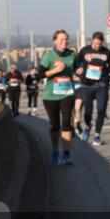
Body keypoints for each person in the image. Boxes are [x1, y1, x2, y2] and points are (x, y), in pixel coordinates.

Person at [38, 30, 78, 166]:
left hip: (67, 94)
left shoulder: (73, 55)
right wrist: (56, 70)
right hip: (50, 96)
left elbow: (79, 68)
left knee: (66, 123)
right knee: (55, 126)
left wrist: (81, 70)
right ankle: (55, 150)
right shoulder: (49, 56)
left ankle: (67, 153)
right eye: (61, 39)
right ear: (54, 41)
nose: (64, 42)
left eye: (66, 39)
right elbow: (40, 75)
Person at [73, 31, 110, 145]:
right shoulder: (85, 50)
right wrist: (77, 71)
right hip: (87, 85)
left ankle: (97, 135)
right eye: (95, 44)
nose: (97, 46)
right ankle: (88, 125)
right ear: (92, 41)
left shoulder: (107, 52)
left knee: (101, 110)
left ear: (102, 43)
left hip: (101, 85)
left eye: (99, 44)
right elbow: (75, 64)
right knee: (88, 112)